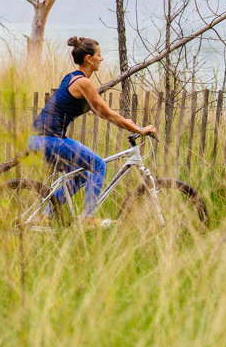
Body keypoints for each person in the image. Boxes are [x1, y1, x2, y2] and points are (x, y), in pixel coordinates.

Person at [30, 36, 156, 227]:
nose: (102, 58)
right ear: (89, 58)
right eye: (99, 55)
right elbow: (107, 113)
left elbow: (98, 111)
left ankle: (46, 216)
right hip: (49, 140)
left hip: (39, 139)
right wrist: (139, 129)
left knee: (81, 175)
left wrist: (128, 123)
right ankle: (88, 218)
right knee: (98, 165)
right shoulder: (84, 83)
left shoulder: (72, 77)